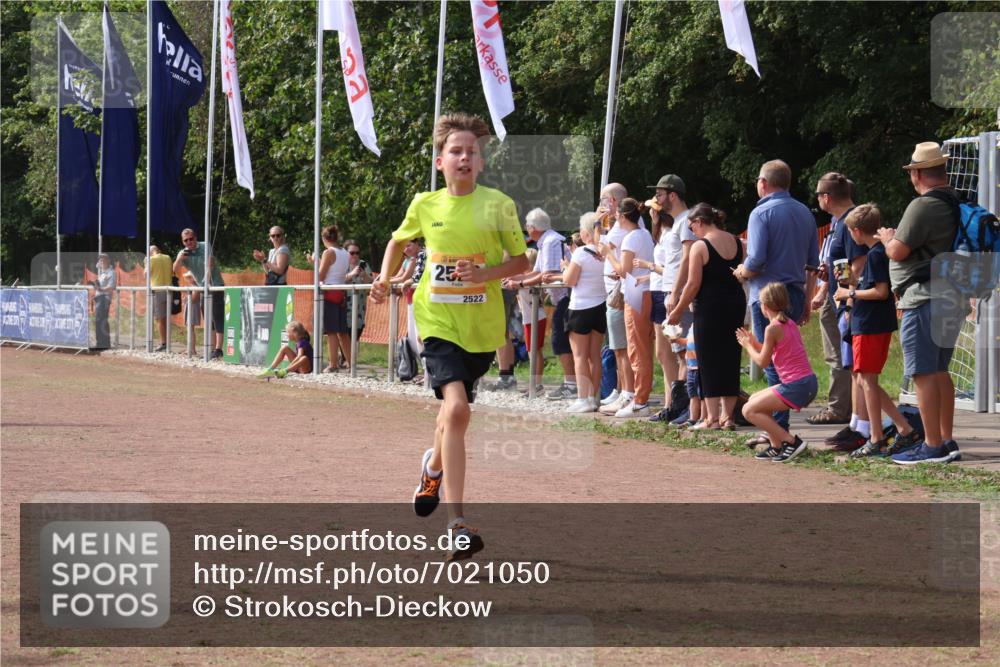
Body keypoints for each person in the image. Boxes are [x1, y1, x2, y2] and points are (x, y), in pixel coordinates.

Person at [371, 112, 529, 561]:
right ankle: (457, 524)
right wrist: (383, 278)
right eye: (455, 151)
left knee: (450, 417)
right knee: (457, 409)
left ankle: (432, 467)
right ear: (440, 161)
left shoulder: (499, 205)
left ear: (481, 163)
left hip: (481, 327)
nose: (464, 157)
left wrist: (484, 273)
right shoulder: (425, 204)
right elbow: (397, 241)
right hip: (436, 321)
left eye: (471, 152)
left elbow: (521, 262)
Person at [883, 142, 964, 465]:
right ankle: (945, 439)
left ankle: (931, 446)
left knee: (923, 372)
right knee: (940, 370)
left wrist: (887, 239)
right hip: (952, 295)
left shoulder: (923, 206)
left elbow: (898, 251)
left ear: (916, 174)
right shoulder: (956, 201)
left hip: (924, 297)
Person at [733, 159, 819, 444]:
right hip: (795, 291)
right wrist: (807, 299)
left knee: (771, 362)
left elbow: (756, 259)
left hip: (766, 294)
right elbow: (812, 263)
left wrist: (741, 271)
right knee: (788, 356)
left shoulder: (761, 213)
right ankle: (777, 427)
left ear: (763, 183)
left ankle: (775, 430)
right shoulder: (805, 212)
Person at [832, 204, 922, 458]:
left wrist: (849, 293)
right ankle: (903, 429)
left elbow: (881, 292)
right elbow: (871, 285)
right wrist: (853, 284)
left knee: (867, 381)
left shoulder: (875, 255)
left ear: (856, 231)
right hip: (869, 322)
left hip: (871, 324)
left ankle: (876, 438)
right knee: (865, 380)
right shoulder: (877, 253)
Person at [667, 204, 746, 429]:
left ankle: (711, 418)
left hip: (709, 306)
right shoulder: (738, 242)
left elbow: (693, 284)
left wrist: (678, 309)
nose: (692, 232)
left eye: (691, 227)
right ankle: (727, 416)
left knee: (708, 360)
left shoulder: (700, 246)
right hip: (735, 303)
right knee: (731, 357)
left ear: (699, 221)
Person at [736, 283, 818, 462]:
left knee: (748, 410)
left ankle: (791, 442)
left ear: (764, 306)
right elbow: (773, 350)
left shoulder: (772, 328)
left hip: (797, 386)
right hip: (806, 383)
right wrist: (753, 342)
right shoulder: (788, 323)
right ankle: (776, 446)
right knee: (754, 400)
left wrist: (748, 346)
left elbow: (762, 362)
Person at [808, 173, 858, 427]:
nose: (818, 200)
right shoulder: (841, 221)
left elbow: (853, 263)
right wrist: (829, 277)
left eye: (819, 195)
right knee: (841, 354)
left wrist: (843, 295)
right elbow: (842, 262)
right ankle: (847, 407)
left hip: (845, 299)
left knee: (839, 354)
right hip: (839, 294)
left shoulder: (849, 222)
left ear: (826, 197)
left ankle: (839, 408)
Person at [545, 212, 607, 412]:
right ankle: (594, 397)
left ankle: (583, 398)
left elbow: (570, 281)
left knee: (579, 356)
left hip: (580, 308)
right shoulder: (605, 252)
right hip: (600, 305)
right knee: (595, 356)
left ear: (586, 232)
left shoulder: (581, 252)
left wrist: (565, 267)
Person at [647, 174, 694, 423]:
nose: (656, 199)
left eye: (660, 194)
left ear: (672, 195)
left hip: (679, 293)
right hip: (672, 292)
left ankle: (686, 408)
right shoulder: (677, 222)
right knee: (680, 352)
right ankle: (678, 406)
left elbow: (687, 259)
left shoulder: (686, 221)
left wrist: (676, 293)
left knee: (685, 352)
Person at [603, 197, 654, 418]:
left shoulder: (631, 237)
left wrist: (608, 253)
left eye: (617, 216)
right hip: (643, 290)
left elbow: (623, 271)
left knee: (636, 347)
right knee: (641, 346)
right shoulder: (644, 234)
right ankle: (639, 397)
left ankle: (640, 400)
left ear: (623, 217)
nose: (615, 219)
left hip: (635, 292)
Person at [521, 208, 575, 400]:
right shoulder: (547, 241)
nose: (526, 228)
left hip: (566, 297)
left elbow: (547, 275)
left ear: (534, 227)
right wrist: (517, 280)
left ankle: (571, 384)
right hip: (563, 298)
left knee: (560, 341)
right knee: (560, 341)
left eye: (527, 225)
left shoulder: (551, 242)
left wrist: (521, 283)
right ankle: (572, 383)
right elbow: (537, 273)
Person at [597, 183, 635, 412]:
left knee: (621, 347)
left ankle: (627, 393)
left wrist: (597, 223)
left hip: (619, 292)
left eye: (603, 200)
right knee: (619, 346)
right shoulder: (621, 226)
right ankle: (622, 390)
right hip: (617, 290)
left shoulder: (622, 227)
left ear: (612, 201)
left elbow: (600, 250)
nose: (601, 205)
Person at [173, 228, 225, 359]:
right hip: (202, 288)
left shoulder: (205, 245)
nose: (189, 242)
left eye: (191, 239)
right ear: (183, 242)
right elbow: (175, 271)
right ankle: (212, 349)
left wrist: (205, 283)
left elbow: (210, 265)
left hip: (215, 285)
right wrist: (179, 259)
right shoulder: (183, 253)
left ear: (195, 238)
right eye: (186, 240)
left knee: (217, 316)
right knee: (208, 318)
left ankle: (219, 348)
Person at [307, 225, 351, 372]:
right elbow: (335, 270)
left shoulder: (328, 252)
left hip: (329, 292)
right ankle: (351, 362)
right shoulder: (345, 252)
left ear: (323, 238)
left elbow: (321, 275)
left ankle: (333, 364)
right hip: (341, 292)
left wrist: (315, 263)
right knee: (342, 332)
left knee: (331, 331)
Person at [505, 248, 547, 390]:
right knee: (532, 351)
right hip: (529, 318)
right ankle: (534, 383)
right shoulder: (525, 278)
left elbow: (523, 283)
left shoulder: (530, 280)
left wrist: (515, 281)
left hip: (536, 318)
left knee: (534, 351)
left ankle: (536, 384)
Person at [343, 239, 373, 341]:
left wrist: (364, 275)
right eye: (352, 253)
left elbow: (371, 284)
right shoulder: (341, 264)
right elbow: (337, 280)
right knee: (344, 342)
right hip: (343, 310)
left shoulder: (363, 264)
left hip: (359, 312)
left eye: (357, 253)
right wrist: (351, 274)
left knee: (354, 340)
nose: (355, 255)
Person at [145, 245, 173, 352]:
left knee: (159, 319)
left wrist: (146, 263)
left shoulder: (151, 260)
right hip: (169, 290)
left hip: (157, 291)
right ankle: (167, 341)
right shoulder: (168, 257)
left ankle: (163, 343)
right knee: (166, 318)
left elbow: (145, 275)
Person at [92, 254, 116, 350]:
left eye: (104, 260)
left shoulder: (111, 272)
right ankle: (102, 343)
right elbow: (97, 265)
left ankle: (103, 344)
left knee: (101, 321)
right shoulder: (102, 272)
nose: (101, 262)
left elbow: (111, 287)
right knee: (100, 321)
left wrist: (100, 288)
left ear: (109, 261)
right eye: (100, 260)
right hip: (99, 298)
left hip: (104, 298)